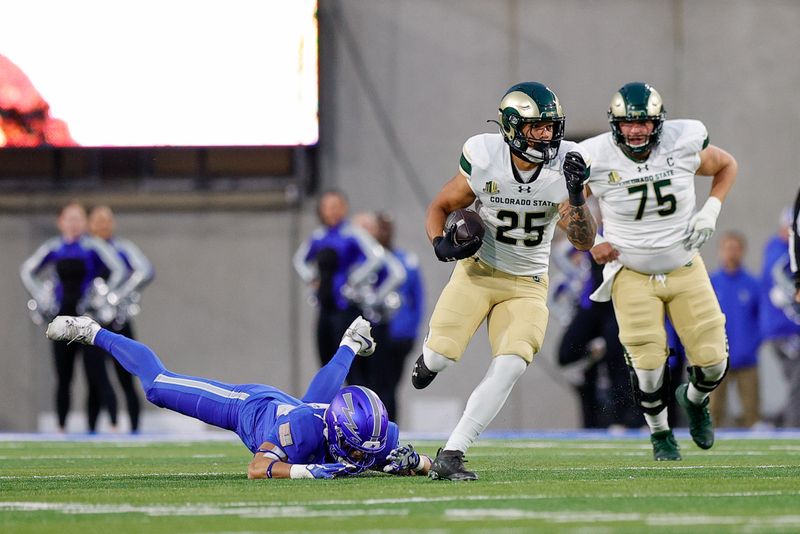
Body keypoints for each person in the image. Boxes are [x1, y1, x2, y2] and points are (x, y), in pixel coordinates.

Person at [411, 82, 596, 480]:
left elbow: (584, 241)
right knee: (441, 356)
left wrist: (578, 198)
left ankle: (453, 452)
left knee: (511, 364)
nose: (546, 135)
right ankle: (428, 361)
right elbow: (442, 205)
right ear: (512, 127)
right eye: (536, 127)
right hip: (478, 273)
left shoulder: (568, 165)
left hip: (528, 281)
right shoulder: (483, 155)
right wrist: (439, 243)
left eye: (550, 127)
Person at [45, 315, 431, 479]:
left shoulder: (376, 434)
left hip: (304, 414)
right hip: (249, 407)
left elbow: (412, 461)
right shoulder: (300, 430)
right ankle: (94, 332)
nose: (365, 457)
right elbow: (258, 467)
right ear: (336, 429)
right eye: (357, 449)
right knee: (158, 386)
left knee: (311, 403)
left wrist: (419, 462)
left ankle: (350, 342)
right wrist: (305, 471)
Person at [580, 82, 737, 460]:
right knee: (648, 367)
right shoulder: (595, 156)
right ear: (614, 124)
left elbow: (727, 164)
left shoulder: (682, 143)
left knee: (714, 362)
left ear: (659, 123)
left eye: (644, 122)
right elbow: (566, 207)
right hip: (630, 271)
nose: (636, 130)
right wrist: (591, 240)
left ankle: (695, 399)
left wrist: (711, 210)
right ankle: (660, 432)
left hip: (684, 265)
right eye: (628, 123)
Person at [19, 202, 126, 432]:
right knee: (63, 375)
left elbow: (119, 269)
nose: (74, 223)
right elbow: (27, 270)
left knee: (97, 374)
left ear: (85, 222)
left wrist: (103, 296)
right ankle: (61, 426)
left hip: (87, 318)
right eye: (70, 218)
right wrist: (41, 295)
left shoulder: (93, 246)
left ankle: (112, 424)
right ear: (61, 222)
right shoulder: (54, 247)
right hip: (62, 317)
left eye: (78, 218)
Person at [293, 191, 385, 367]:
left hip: (346, 306)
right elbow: (299, 260)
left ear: (344, 208)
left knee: (349, 362)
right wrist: (311, 278)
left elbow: (376, 258)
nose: (332, 211)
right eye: (327, 207)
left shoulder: (352, 234)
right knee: (325, 359)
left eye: (336, 207)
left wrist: (354, 279)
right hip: (325, 305)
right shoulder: (319, 236)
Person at [557, 248, 643, 429]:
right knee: (569, 353)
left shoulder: (628, 238)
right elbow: (565, 356)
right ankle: (593, 356)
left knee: (618, 361)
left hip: (617, 305)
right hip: (592, 304)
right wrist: (590, 352)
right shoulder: (596, 234)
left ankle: (625, 419)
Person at [87, 205, 155, 433]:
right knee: (95, 379)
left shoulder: (122, 248)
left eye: (107, 220)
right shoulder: (87, 249)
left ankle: (135, 428)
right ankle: (93, 430)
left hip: (118, 321)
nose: (103, 225)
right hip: (93, 322)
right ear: (90, 224)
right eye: (98, 220)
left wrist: (116, 296)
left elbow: (145, 270)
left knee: (127, 375)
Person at [349, 211, 407, 398]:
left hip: (376, 322)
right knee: (354, 377)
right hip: (352, 321)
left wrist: (375, 298)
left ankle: (383, 421)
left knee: (380, 378)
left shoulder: (378, 254)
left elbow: (398, 274)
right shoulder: (352, 254)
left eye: (368, 229)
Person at [375, 212, 425, 421]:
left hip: (398, 334)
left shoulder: (406, 261)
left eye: (388, 228)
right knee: (371, 385)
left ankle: (389, 428)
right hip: (374, 334)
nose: (384, 232)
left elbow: (418, 298)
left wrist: (411, 332)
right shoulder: (366, 260)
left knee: (390, 386)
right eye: (380, 228)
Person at [709, 231, 761, 428]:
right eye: (728, 248)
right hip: (717, 357)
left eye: (736, 249)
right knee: (713, 410)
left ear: (743, 251)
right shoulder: (711, 284)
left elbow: (761, 319)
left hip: (746, 358)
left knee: (751, 410)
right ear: (721, 252)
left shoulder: (752, 284)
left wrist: (752, 344)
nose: (732, 253)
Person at [759, 208, 800, 427]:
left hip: (787, 327)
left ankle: (776, 421)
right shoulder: (780, 253)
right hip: (786, 329)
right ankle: (794, 427)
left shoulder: (781, 251)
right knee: (798, 380)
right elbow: (782, 293)